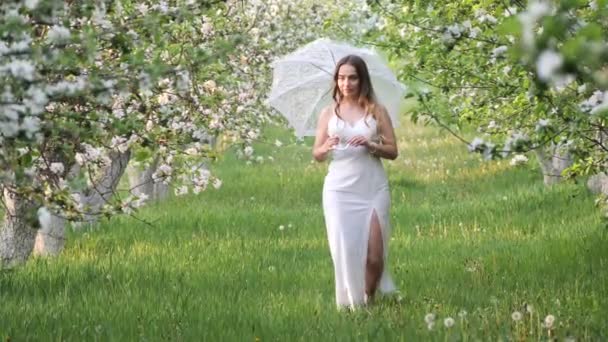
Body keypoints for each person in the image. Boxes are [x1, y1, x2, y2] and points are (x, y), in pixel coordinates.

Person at [312, 54, 398, 309]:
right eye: (341, 77)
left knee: (374, 255)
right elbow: (316, 154)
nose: (346, 83)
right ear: (335, 81)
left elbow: (393, 150)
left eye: (352, 77)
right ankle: (356, 306)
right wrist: (325, 146)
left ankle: (368, 297)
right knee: (346, 250)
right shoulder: (328, 113)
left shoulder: (376, 111)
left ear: (362, 80)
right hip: (339, 189)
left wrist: (372, 145)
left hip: (372, 186)